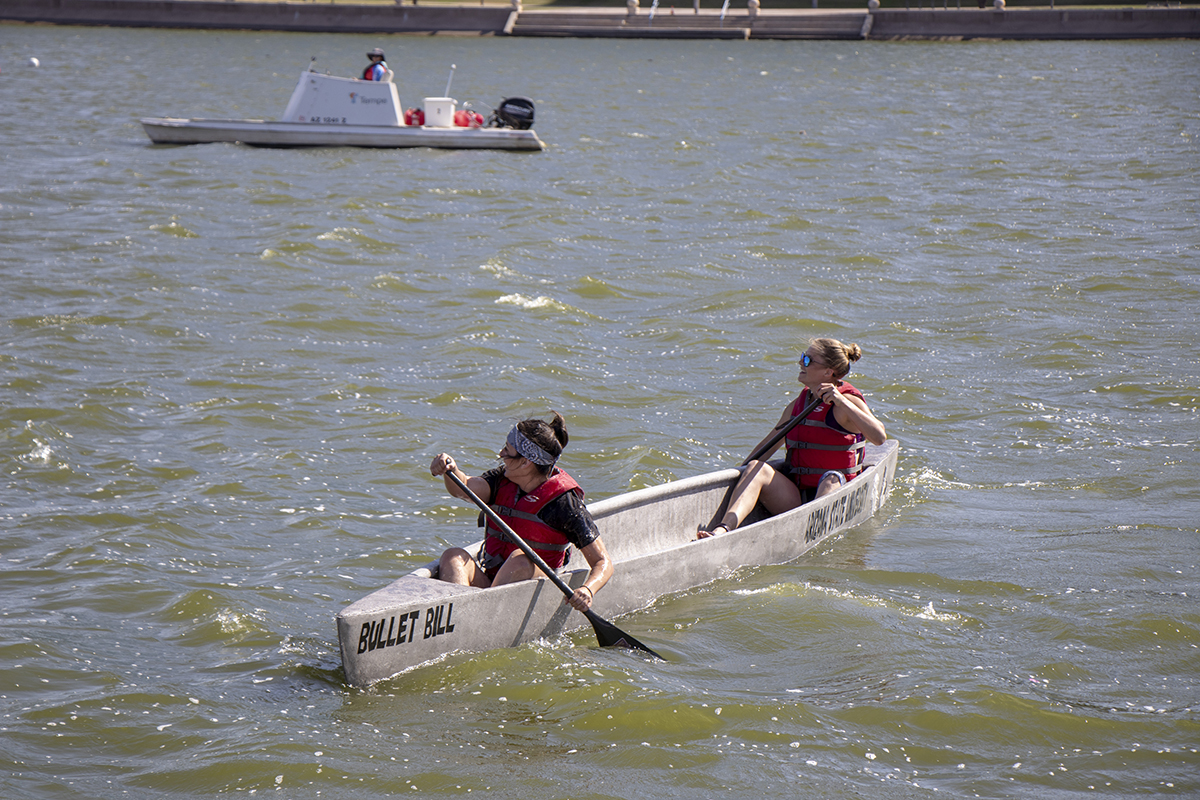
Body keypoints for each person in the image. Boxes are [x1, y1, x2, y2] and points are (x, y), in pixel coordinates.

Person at [697, 338, 887, 539]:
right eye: (802, 357)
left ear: (828, 372)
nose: (800, 363)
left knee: (830, 478)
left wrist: (840, 400)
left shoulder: (847, 402)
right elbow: (767, 446)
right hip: (797, 497)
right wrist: (738, 476)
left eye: (807, 360)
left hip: (835, 493)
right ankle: (722, 531)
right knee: (756, 467)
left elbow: (879, 437)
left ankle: (813, 536)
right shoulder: (799, 404)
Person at [430, 412, 613, 613]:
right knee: (452, 556)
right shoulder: (501, 479)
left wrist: (588, 590)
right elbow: (463, 487)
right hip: (494, 584)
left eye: (507, 450)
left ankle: (480, 617)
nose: (500, 454)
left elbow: (602, 562)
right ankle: (459, 615)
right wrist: (450, 469)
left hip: (533, 594)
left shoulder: (564, 503)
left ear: (526, 462)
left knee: (520, 559)